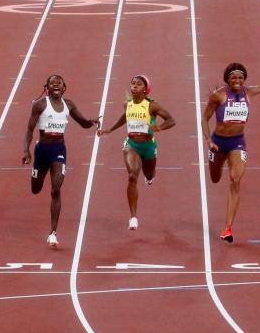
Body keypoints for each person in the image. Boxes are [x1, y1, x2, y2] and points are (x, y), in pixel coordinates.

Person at [202, 63, 260, 243]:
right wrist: (209, 141)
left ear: (244, 79)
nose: (237, 80)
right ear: (227, 79)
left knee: (236, 179)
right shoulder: (218, 95)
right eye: (234, 77)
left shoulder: (249, 92)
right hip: (218, 143)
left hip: (237, 142)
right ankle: (214, 160)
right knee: (215, 178)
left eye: (240, 77)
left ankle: (228, 228)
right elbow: (205, 119)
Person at [23, 74, 100, 247]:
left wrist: (91, 122)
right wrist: (26, 151)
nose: (56, 85)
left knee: (56, 189)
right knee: (35, 188)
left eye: (59, 83)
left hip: (58, 150)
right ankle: (36, 174)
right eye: (52, 83)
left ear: (64, 88)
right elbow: (29, 130)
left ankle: (53, 232)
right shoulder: (40, 104)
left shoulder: (69, 105)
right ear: (47, 88)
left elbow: (83, 123)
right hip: (42, 151)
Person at [97, 75, 175, 230]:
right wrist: (109, 129)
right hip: (131, 145)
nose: (134, 86)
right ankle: (133, 217)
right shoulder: (127, 104)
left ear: (145, 89)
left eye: (138, 84)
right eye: (132, 83)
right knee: (132, 176)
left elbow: (171, 120)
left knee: (149, 174)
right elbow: (125, 117)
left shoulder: (152, 106)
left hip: (149, 146)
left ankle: (150, 177)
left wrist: (158, 127)